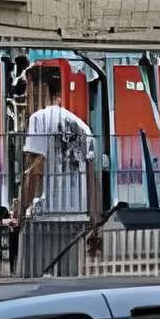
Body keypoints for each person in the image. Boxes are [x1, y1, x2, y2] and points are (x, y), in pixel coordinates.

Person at [14, 63, 101, 279]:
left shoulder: (39, 119)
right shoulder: (82, 126)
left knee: (30, 282)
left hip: (46, 215)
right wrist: (94, 217)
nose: (27, 98)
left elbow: (34, 169)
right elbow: (91, 176)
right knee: (68, 284)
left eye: (30, 89)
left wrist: (20, 211)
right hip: (75, 214)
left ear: (41, 88)